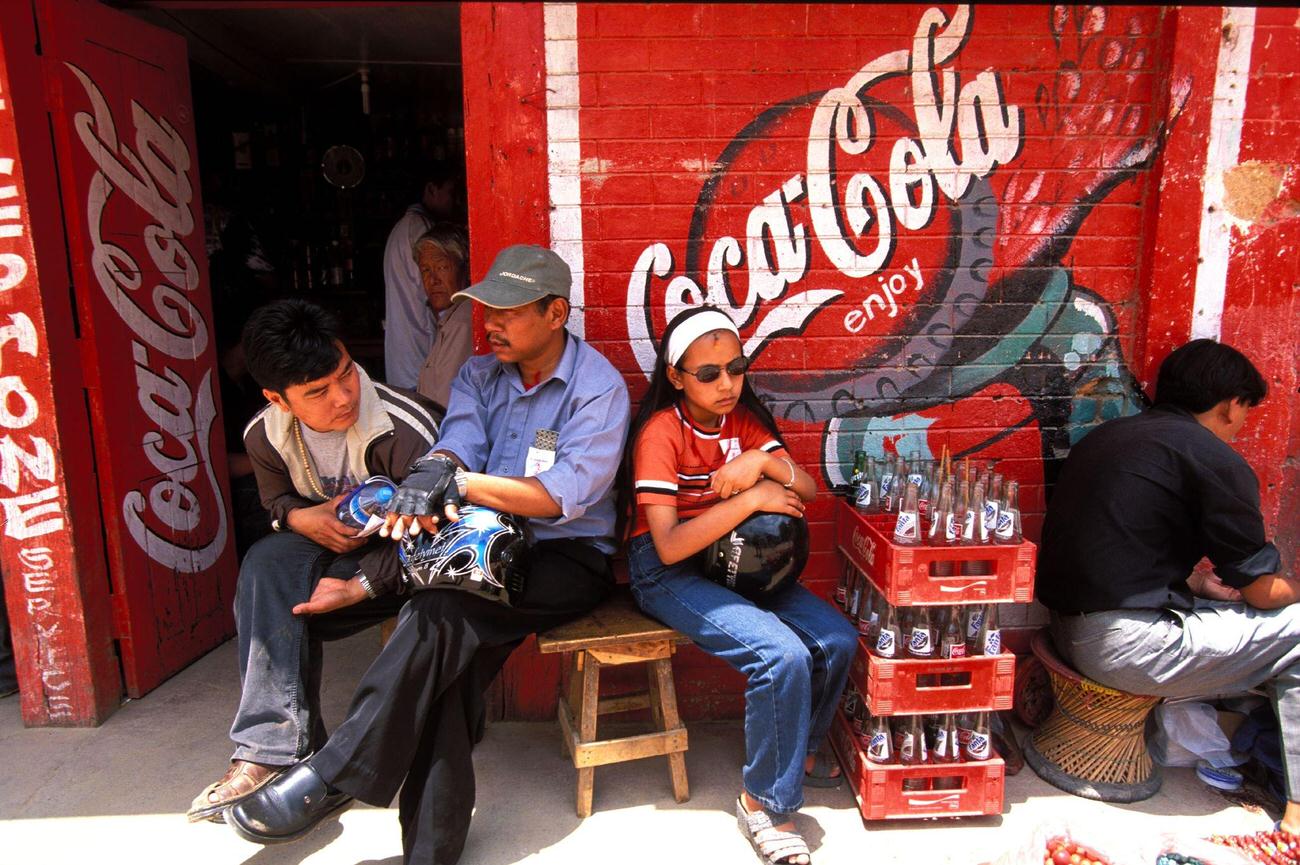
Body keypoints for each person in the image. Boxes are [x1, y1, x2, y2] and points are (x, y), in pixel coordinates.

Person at [226, 245, 631, 865]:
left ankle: (335, 775)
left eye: (508, 311)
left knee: (439, 616)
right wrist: (437, 467)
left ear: (556, 314)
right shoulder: (477, 375)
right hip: (477, 547)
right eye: (485, 309)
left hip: (565, 556)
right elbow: (459, 440)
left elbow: (559, 498)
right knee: (446, 662)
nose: (489, 323)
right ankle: (428, 852)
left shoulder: (597, 388)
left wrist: (457, 484)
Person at [186, 299, 442, 823]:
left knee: (290, 588)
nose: (344, 396)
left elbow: (441, 537)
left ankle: (308, 761)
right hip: (331, 553)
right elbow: (276, 503)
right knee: (267, 562)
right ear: (277, 399)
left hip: (407, 563)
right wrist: (300, 520)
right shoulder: (265, 435)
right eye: (318, 392)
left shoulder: (403, 427)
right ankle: (270, 751)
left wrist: (365, 584)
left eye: (346, 374)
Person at [621, 306, 857, 865]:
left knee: (836, 641)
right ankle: (765, 804)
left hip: (734, 558)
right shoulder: (661, 433)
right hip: (667, 569)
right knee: (779, 655)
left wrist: (759, 462)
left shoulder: (743, 422)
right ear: (676, 376)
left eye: (736, 368)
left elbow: (809, 489)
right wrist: (751, 499)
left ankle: (791, 753)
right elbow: (670, 546)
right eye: (709, 374)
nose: (727, 384)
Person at [1037, 339, 1298, 829]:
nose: (1242, 423)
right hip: (1125, 649)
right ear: (1229, 404)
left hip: (1065, 631)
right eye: (1245, 410)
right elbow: (1264, 593)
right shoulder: (1214, 459)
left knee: (1241, 619)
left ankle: (1235, 736)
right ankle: (1297, 815)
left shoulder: (1108, 436)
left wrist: (1200, 583)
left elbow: (1115, 549)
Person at [384, 168, 460, 390]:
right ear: (431, 189)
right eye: (450, 191)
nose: (455, 200)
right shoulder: (420, 229)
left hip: (406, 351)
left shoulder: (403, 228)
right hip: (419, 349)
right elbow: (437, 296)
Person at [411, 224, 475, 411]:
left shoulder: (462, 323)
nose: (433, 280)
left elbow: (444, 405)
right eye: (426, 270)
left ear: (465, 270)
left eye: (442, 267)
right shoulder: (451, 318)